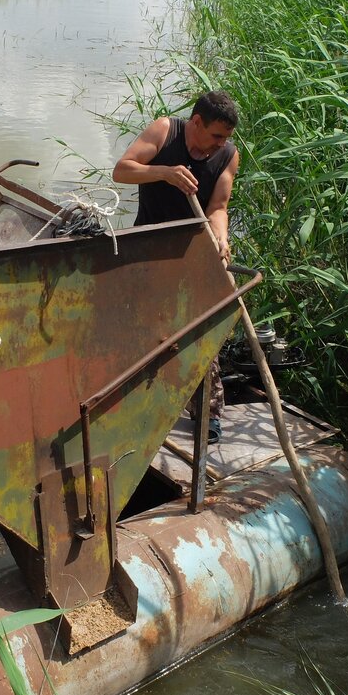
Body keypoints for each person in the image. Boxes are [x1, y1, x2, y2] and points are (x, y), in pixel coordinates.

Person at [113, 90, 240, 442]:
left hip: (192, 255)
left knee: (201, 330)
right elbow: (121, 171)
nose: (221, 143)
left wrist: (220, 237)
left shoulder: (227, 155)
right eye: (216, 135)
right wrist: (164, 173)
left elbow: (218, 207)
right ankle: (136, 408)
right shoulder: (165, 131)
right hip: (147, 250)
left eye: (226, 137)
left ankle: (207, 415)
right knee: (140, 330)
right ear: (197, 122)